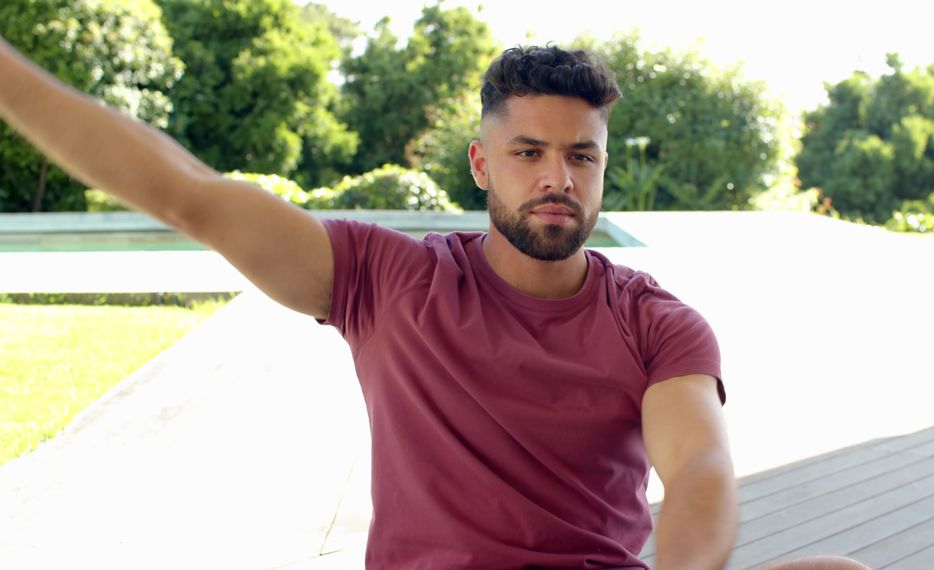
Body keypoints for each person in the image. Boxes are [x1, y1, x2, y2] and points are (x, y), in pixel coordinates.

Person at [0, 37, 869, 570]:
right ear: (482, 164)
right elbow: (188, 192)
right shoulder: (387, 280)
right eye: (529, 151)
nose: (558, 178)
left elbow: (700, 472)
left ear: (604, 165)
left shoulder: (655, 321)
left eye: (582, 156)